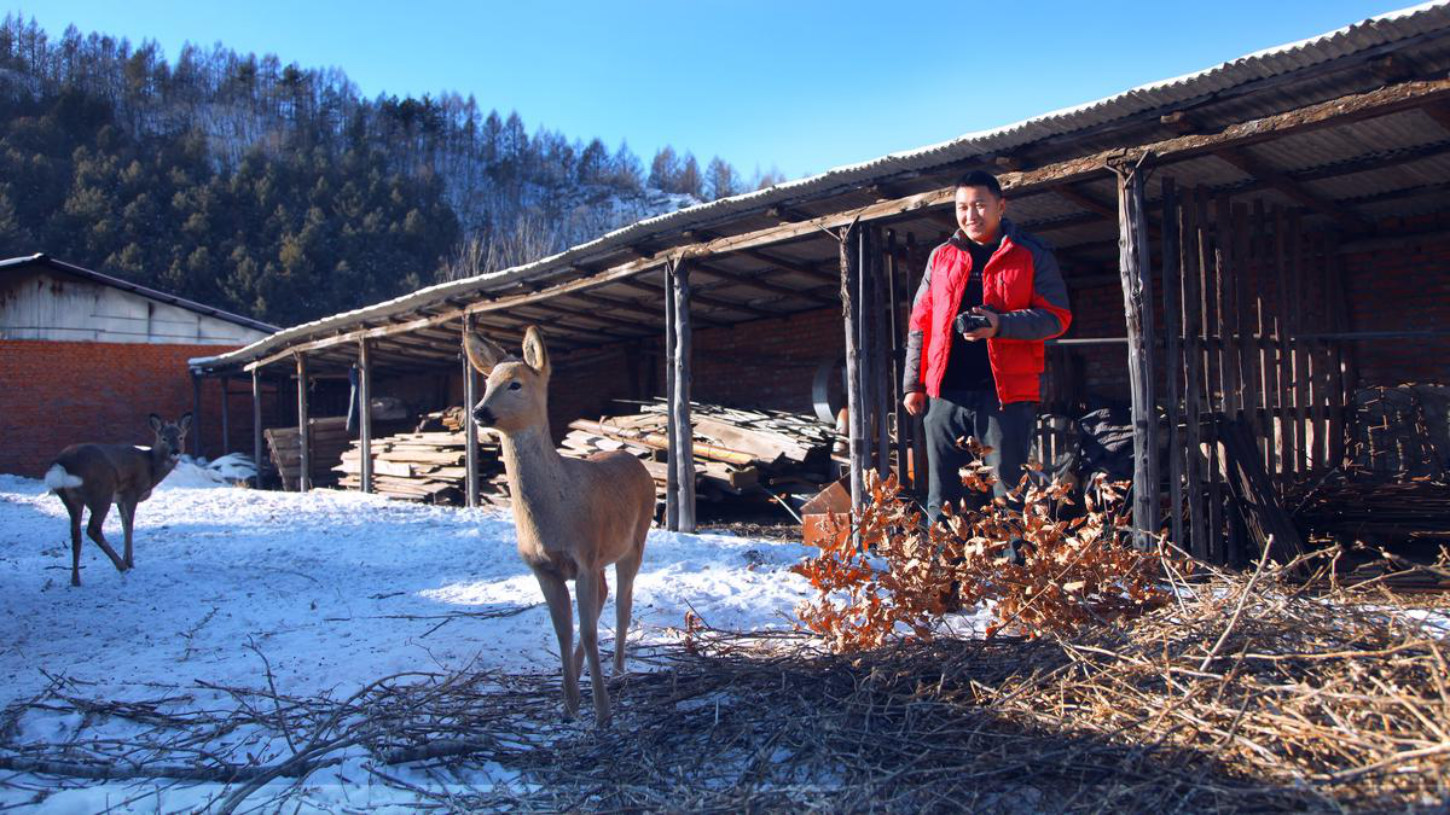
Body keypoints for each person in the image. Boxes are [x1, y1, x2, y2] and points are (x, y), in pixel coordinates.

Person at [902, 170, 1072, 524]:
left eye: (980, 205)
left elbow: (1056, 317)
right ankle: (943, 579)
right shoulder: (941, 257)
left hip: (1005, 397)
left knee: (1007, 494)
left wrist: (1001, 325)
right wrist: (913, 384)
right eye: (962, 207)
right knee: (942, 496)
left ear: (1001, 205)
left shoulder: (1031, 253)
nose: (970, 215)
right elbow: (921, 323)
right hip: (945, 395)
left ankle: (1010, 576)